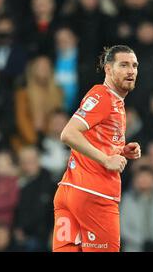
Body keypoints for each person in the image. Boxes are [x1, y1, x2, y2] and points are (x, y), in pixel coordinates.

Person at [52, 45, 142, 252]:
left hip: (69, 191)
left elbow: (89, 137)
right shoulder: (104, 97)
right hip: (94, 195)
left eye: (135, 65)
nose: (131, 71)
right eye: (124, 65)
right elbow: (68, 134)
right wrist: (106, 159)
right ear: (108, 69)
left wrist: (119, 150)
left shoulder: (113, 101)